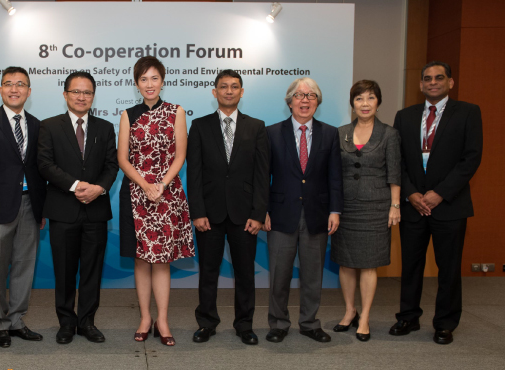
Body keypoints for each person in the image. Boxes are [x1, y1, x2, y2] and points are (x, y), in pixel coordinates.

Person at [390, 61, 482, 345]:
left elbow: (471, 158)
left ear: (450, 82)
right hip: (413, 204)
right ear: (420, 84)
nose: (433, 82)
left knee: (449, 269)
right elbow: (397, 161)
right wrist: (411, 193)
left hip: (450, 205)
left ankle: (445, 323)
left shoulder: (468, 112)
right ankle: (408, 317)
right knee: (412, 266)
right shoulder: (404, 116)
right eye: (427, 78)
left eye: (439, 78)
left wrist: (439, 193)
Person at [187, 69, 270, 345]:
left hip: (245, 215)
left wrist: (258, 214)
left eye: (235, 87)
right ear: (214, 92)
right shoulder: (199, 126)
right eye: (223, 87)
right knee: (208, 272)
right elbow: (194, 173)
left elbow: (262, 174)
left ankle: (245, 325)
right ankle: (207, 323)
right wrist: (197, 212)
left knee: (245, 273)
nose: (229, 91)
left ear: (242, 92)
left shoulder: (256, 126)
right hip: (208, 215)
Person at [118, 56, 194, 347]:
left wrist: (161, 184)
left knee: (162, 260)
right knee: (141, 259)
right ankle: (145, 318)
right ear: (137, 84)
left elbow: (180, 156)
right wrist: (145, 184)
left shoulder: (177, 112)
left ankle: (162, 319)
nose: (149, 85)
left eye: (154, 78)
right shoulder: (128, 114)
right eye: (143, 79)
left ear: (162, 80)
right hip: (138, 194)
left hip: (167, 194)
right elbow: (122, 159)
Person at [38, 71, 118, 344]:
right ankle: (66, 323)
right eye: (76, 92)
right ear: (65, 94)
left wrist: (98, 189)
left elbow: (111, 165)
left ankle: (87, 322)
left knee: (92, 271)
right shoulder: (49, 126)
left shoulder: (105, 127)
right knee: (64, 271)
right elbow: (45, 165)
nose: (81, 97)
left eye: (87, 93)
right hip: (63, 210)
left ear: (93, 96)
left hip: (96, 211)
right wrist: (76, 186)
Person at [263, 77, 343, 344]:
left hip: (317, 214)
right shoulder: (272, 132)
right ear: (289, 102)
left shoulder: (331, 133)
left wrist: (335, 210)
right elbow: (263, 177)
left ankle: (310, 323)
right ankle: (278, 323)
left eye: (311, 95)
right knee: (279, 274)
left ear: (317, 102)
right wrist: (262, 210)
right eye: (299, 95)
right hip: (280, 214)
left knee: (312, 274)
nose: (305, 100)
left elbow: (335, 177)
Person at [0, 66, 46, 348]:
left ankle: (17, 320)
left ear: (29, 91)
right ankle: (0, 323)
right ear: (1, 89)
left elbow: (39, 169)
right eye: (8, 84)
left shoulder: (37, 124)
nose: (14, 89)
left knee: (24, 267)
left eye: (20, 84)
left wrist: (41, 210)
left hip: (30, 206)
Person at [331, 80, 401, 342]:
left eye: (370, 98)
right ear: (352, 103)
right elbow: (333, 173)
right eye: (359, 98)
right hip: (345, 206)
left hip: (376, 207)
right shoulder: (340, 133)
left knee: (369, 264)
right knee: (346, 262)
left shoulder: (389, 134)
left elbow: (394, 172)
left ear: (378, 102)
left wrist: (395, 205)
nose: (365, 103)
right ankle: (350, 312)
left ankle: (366, 317)